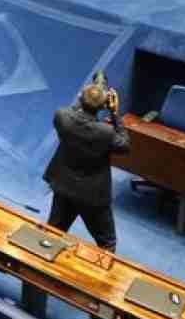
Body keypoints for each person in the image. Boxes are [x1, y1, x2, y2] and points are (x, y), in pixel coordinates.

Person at [42, 82, 131, 251]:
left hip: (64, 186)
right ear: (104, 105)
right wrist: (114, 113)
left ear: (79, 99)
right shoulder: (106, 133)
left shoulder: (62, 117)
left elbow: (73, 112)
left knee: (52, 234)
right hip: (93, 196)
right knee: (107, 243)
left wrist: (84, 97)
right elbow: (125, 145)